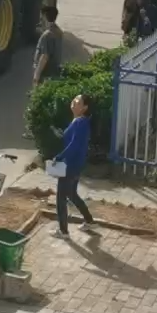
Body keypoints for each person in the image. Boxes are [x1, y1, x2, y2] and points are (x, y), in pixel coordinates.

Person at [52, 93, 95, 239]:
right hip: (76, 164)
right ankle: (89, 220)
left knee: (61, 198)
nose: (73, 102)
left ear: (84, 107)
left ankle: (63, 231)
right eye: (74, 99)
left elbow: (74, 145)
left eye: (77, 101)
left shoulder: (79, 123)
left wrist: (59, 157)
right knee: (72, 194)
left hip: (69, 165)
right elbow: (73, 141)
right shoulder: (80, 121)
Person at [33, 5, 63, 86]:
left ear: (46, 18)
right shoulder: (58, 32)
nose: (40, 22)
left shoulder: (46, 35)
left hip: (45, 74)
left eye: (41, 18)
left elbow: (44, 56)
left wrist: (36, 75)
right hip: (55, 72)